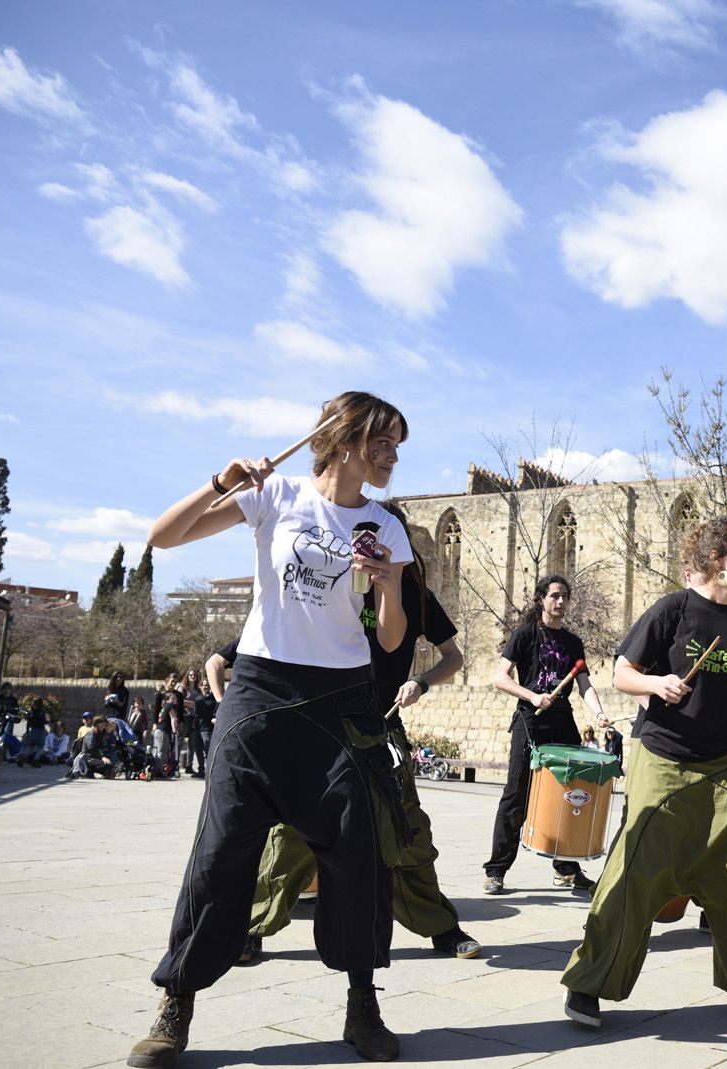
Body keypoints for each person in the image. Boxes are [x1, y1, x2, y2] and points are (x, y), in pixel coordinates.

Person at [125, 390, 414, 1068]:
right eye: (382, 441)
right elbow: (161, 535)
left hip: (343, 698)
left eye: (398, 444)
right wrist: (221, 482)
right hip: (258, 691)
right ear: (344, 437)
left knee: (358, 850)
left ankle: (361, 1000)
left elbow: (393, 637)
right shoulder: (275, 494)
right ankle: (176, 1003)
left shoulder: (385, 525)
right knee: (220, 849)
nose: (392, 455)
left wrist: (387, 588)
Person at [561, 514, 727, 1029]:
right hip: (664, 755)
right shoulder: (673, 610)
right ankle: (589, 984)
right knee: (636, 872)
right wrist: (656, 684)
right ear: (717, 559)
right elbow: (622, 673)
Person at [243, 504, 483, 965]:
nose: (368, 546)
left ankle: (442, 929)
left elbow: (452, 657)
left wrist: (422, 681)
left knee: (407, 828)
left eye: (378, 537)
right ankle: (251, 928)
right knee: (293, 832)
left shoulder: (413, 594)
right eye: (362, 537)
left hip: (380, 725)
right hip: (322, 721)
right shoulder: (328, 584)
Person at [483, 573, 607, 895]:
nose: (561, 601)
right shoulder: (525, 635)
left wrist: (599, 712)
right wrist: (532, 696)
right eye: (555, 595)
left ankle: (566, 869)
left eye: (565, 596)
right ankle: (496, 870)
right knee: (516, 796)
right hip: (530, 720)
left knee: (570, 794)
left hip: (562, 722)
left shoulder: (572, 642)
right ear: (542, 600)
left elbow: (584, 686)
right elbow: (500, 678)